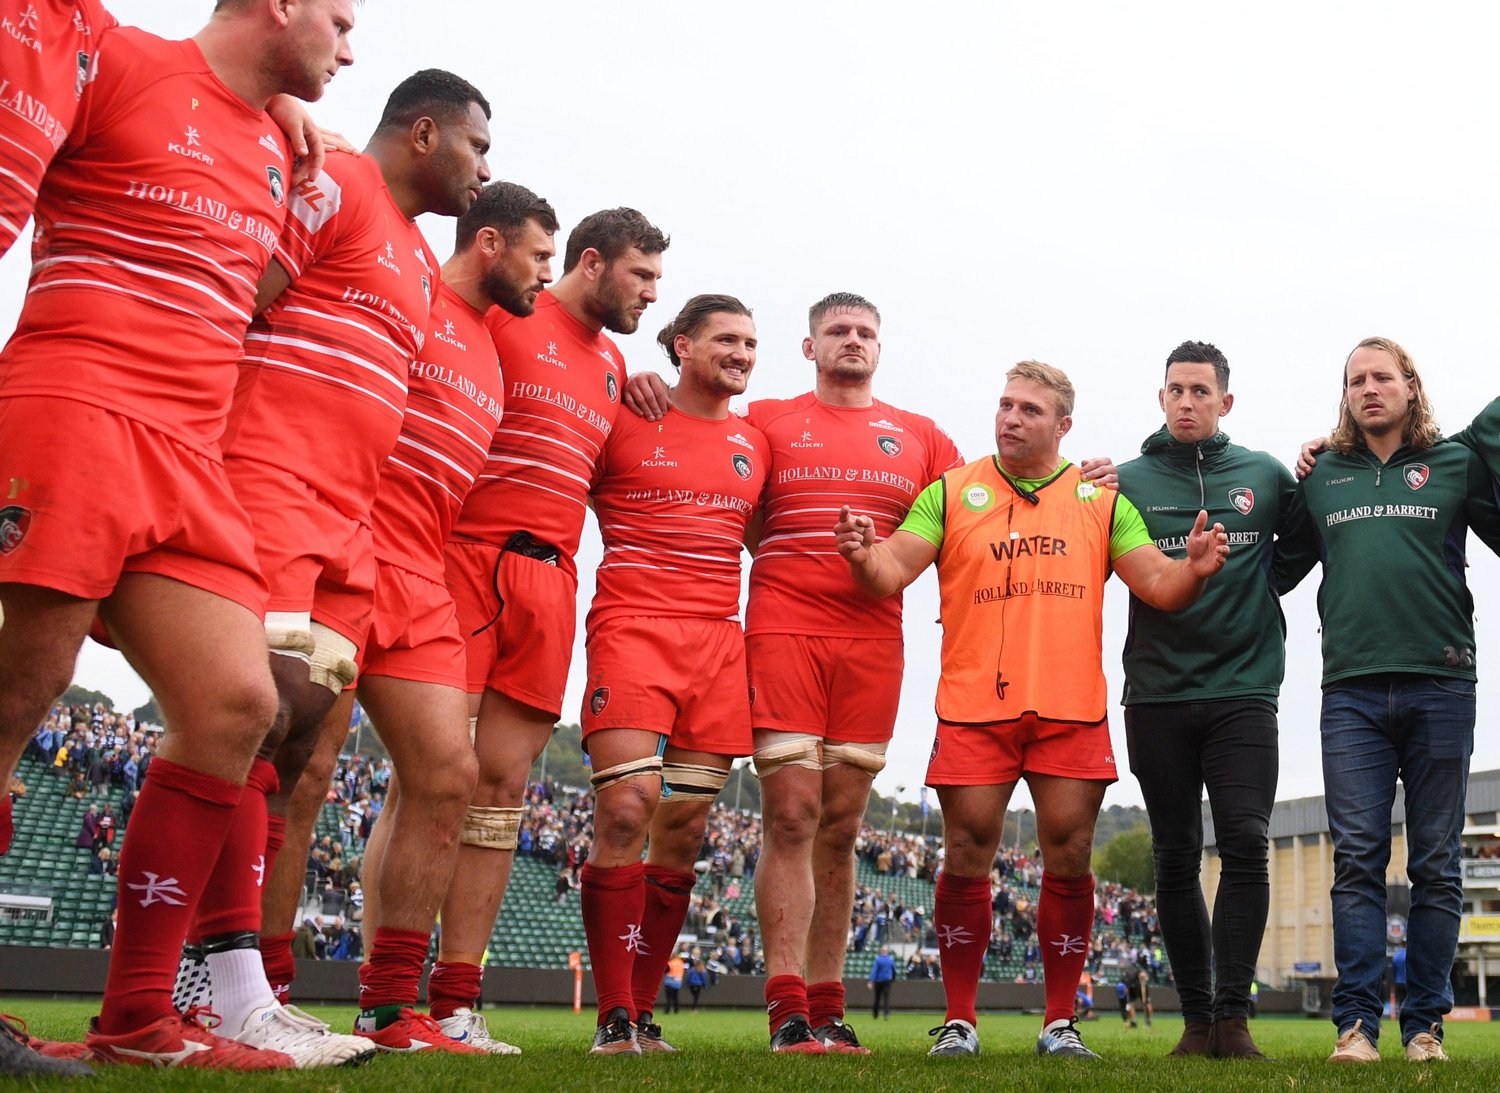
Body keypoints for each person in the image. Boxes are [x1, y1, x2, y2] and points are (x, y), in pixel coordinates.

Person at [0, 0, 356, 1073]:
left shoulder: (279, 145)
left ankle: (139, 1023)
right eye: (340, 19)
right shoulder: (112, 56)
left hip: (191, 451)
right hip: (77, 407)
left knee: (239, 705)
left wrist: (289, 120)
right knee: (22, 690)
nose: (351, 44)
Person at [174, 68, 491, 1065]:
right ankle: (204, 987)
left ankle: (234, 991)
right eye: (479, 148)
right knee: (244, 716)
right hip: (268, 480)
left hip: (344, 514)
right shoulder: (343, 182)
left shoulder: (407, 252)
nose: (486, 171)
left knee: (293, 723)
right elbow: (243, 292)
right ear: (428, 134)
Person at [835, 360, 1229, 1060]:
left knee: (1072, 855)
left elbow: (1158, 585)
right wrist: (865, 555)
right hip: (972, 708)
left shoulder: (1099, 498)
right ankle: (960, 1021)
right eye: (1005, 405)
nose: (1011, 418)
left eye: (1029, 410)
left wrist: (1192, 568)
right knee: (965, 852)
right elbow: (892, 568)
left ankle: (1058, 1021)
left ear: (1063, 425)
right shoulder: (953, 492)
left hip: (1069, 709)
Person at [427, 208, 668, 1030]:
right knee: (434, 780)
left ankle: (456, 1003)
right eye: (641, 276)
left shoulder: (615, 363)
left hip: (552, 581)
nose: (651, 293)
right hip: (462, 557)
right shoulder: (500, 312)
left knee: (501, 793)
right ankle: (383, 995)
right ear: (592, 263)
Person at [346, 180, 558, 1056]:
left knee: (449, 775)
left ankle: (392, 1007)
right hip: (349, 546)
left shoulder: (491, 339)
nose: (542, 276)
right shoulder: (409, 291)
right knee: (301, 756)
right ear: (491, 246)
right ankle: (237, 986)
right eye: (538, 255)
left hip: (424, 573)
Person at [1279, 337, 1500, 1065]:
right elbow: (1275, 568)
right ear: (1344, 396)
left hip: (1443, 683)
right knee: (1358, 861)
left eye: (1382, 377)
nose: (1368, 388)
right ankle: (1357, 1029)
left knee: (1436, 864)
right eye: (1355, 380)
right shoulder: (1319, 476)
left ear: (1411, 386)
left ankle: (1427, 1029)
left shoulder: (1458, 462)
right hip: (1350, 693)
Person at [577, 295, 767, 1056]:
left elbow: (772, 536)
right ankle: (611, 1015)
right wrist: (625, 379)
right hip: (631, 628)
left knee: (683, 829)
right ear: (681, 344)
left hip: (718, 642)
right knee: (627, 806)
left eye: (751, 342)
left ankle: (643, 1011)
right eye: (726, 338)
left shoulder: (758, 440)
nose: (743, 353)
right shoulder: (623, 412)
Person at [1114, 340, 1302, 1060]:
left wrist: (1258, 590)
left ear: (1226, 401)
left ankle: (1234, 1016)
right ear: (1160, 398)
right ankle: (1195, 1020)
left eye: (1200, 390)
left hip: (1244, 691)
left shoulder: (1265, 475)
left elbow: (1302, 545)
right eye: (1175, 390)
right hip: (1157, 693)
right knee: (1173, 856)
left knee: (1247, 845)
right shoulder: (1125, 481)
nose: (1187, 401)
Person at [0, 2, 330, 261]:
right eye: (338, 27)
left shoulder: (88, 26)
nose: (347, 55)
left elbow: (167, 74)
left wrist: (268, 95)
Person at [869, 944, 896, 1020]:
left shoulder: (878, 959)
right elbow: (894, 970)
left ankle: (875, 1014)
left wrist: (871, 981)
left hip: (879, 981)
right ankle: (886, 1014)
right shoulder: (890, 959)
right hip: (887, 980)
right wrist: (893, 979)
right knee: (886, 998)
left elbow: (874, 970)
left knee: (877, 998)